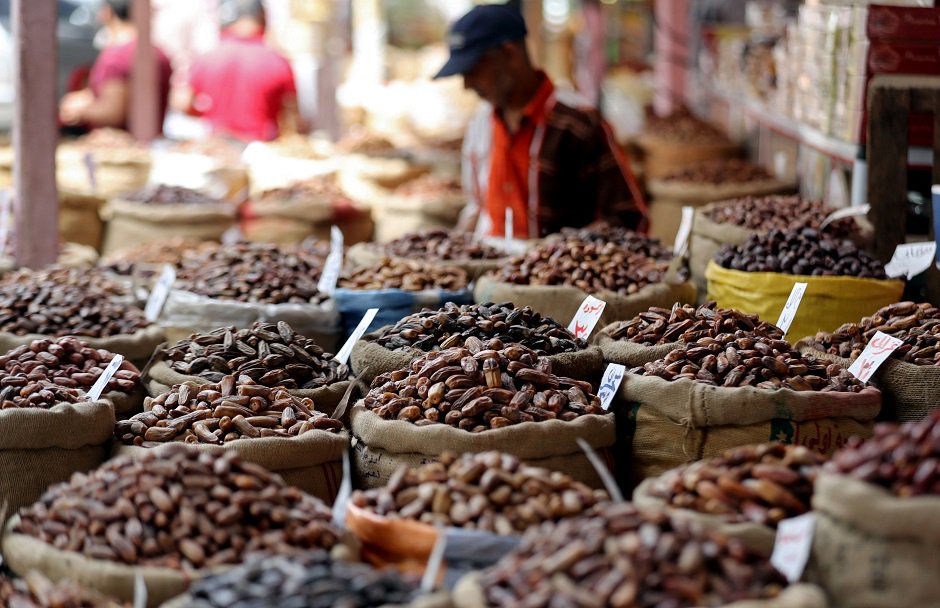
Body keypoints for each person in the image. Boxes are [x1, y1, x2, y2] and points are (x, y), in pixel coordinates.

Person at [435, 4, 647, 239]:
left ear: (509, 54)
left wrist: (557, 252)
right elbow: (478, 205)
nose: (467, 85)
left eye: (473, 71)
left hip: (555, 271)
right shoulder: (481, 125)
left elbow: (627, 217)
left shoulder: (577, 125)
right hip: (488, 268)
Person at [182, 0, 303, 142]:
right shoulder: (277, 61)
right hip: (260, 149)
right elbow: (292, 116)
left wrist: (208, 112)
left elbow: (183, 103)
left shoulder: (207, 58)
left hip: (217, 147)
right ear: (262, 18)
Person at [59, 0, 173, 133]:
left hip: (120, 145)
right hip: (150, 142)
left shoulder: (116, 56)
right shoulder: (158, 53)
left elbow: (114, 112)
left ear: (107, 12)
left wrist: (79, 111)